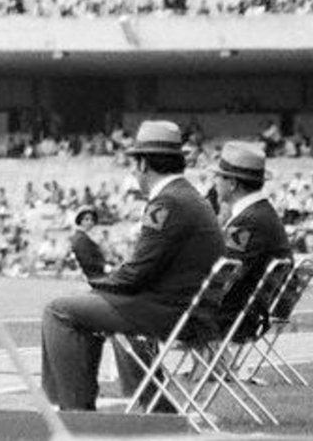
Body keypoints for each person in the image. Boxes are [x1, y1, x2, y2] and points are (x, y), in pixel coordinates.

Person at [40, 120, 225, 411]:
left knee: (58, 311)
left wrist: (97, 286)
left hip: (168, 310)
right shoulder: (188, 197)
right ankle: (111, 405)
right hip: (187, 307)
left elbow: (137, 272)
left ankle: (75, 409)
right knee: (85, 308)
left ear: (142, 164)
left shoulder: (167, 202)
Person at [210, 142, 292, 341]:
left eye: (218, 176)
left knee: (134, 312)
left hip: (231, 320)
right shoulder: (262, 213)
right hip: (246, 316)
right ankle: (208, 372)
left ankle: (144, 374)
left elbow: (220, 274)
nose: (214, 182)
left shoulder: (248, 222)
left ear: (232, 183)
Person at [68, 206, 107, 280]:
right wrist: (105, 266)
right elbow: (87, 261)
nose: (90, 222)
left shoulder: (86, 236)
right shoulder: (81, 238)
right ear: (80, 221)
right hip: (94, 276)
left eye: (92, 220)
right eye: (86, 219)